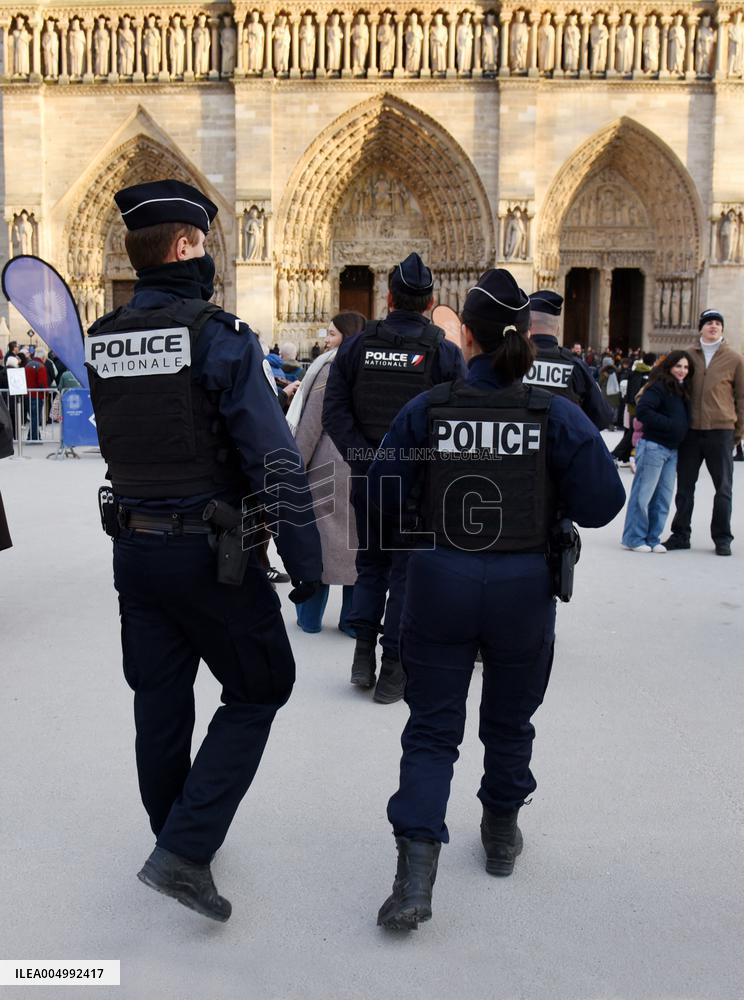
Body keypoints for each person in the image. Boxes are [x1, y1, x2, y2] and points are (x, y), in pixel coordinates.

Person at [84, 179, 322, 922]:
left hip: (134, 549)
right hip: (211, 554)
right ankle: (184, 852)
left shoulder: (103, 338)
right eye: (204, 242)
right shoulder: (220, 336)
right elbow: (272, 458)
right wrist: (308, 564)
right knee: (262, 684)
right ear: (185, 246)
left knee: (159, 701)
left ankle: (174, 837)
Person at [366, 268, 625, 930]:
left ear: (469, 340)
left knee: (431, 730)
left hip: (440, 580)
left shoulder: (428, 409)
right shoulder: (553, 414)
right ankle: (501, 834)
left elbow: (380, 497)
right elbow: (603, 503)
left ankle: (414, 878)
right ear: (525, 341)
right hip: (522, 588)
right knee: (510, 722)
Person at [322, 252, 466, 704]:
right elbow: (455, 422)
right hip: (418, 483)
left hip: (369, 479)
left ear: (388, 298)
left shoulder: (355, 347)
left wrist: (366, 460)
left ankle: (362, 655)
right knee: (406, 572)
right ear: (431, 303)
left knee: (370, 566)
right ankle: (392, 671)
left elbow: (334, 412)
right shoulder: (445, 352)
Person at [288, 312, 366, 635]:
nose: (326, 340)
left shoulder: (329, 368)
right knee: (356, 545)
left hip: (328, 464)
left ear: (346, 336)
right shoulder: (370, 367)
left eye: (332, 334)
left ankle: (309, 618)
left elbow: (311, 425)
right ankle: (351, 620)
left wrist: (296, 467)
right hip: (361, 462)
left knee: (318, 544)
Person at [665, 309, 744, 556]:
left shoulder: (735, 359)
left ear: (722, 328)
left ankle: (722, 538)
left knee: (723, 488)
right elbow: (666, 380)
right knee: (685, 487)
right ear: (700, 327)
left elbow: (742, 397)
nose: (713, 326)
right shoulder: (687, 355)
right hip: (691, 430)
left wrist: (738, 432)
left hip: (721, 430)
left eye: (718, 323)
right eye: (709, 322)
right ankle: (680, 534)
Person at [621, 352, 693, 552]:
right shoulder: (658, 386)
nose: (682, 370)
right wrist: (670, 425)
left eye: (686, 367)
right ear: (669, 366)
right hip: (654, 446)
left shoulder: (682, 389)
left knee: (663, 497)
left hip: (672, 450)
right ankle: (635, 538)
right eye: (678, 366)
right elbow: (643, 411)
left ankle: (653, 537)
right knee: (643, 495)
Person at [525, 290, 612, 429]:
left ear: (527, 326)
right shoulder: (575, 365)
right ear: (558, 329)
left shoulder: (511, 361)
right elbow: (602, 417)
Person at [612, 352, 656, 464]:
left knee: (631, 431)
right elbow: (636, 391)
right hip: (637, 407)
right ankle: (616, 454)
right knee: (633, 432)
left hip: (633, 406)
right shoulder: (644, 373)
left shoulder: (637, 371)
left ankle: (624, 456)